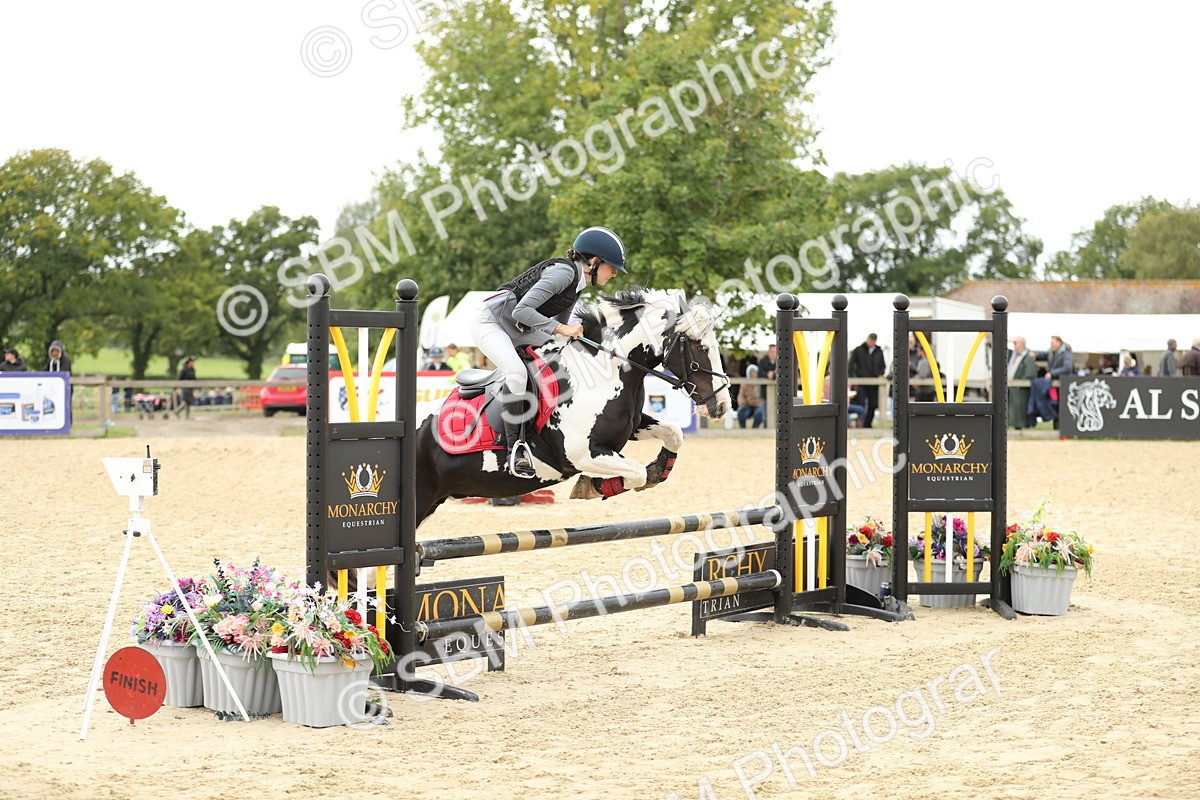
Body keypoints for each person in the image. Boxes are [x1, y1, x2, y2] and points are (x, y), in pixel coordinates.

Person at [472, 226, 627, 477]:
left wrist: (572, 338)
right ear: (595, 261)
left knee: (562, 355)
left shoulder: (578, 283)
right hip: (492, 323)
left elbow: (556, 330)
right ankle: (515, 449)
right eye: (612, 268)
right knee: (516, 372)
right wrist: (562, 329)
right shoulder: (563, 273)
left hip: (518, 328)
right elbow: (521, 311)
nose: (614, 275)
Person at [849, 334, 886, 427]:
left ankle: (867, 424)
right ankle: (861, 425)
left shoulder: (879, 351)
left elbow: (882, 366)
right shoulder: (858, 350)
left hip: (874, 383)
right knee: (861, 404)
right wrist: (854, 377)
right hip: (861, 382)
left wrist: (878, 373)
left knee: (873, 404)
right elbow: (851, 365)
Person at [1007, 336, 1036, 429]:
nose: (1014, 345)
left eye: (1016, 343)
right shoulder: (1013, 355)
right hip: (1011, 386)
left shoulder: (1028, 357)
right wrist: (1009, 341)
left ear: (1021, 344)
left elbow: (1030, 373)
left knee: (1018, 413)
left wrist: (1019, 383)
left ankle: (1019, 429)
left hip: (1020, 389)